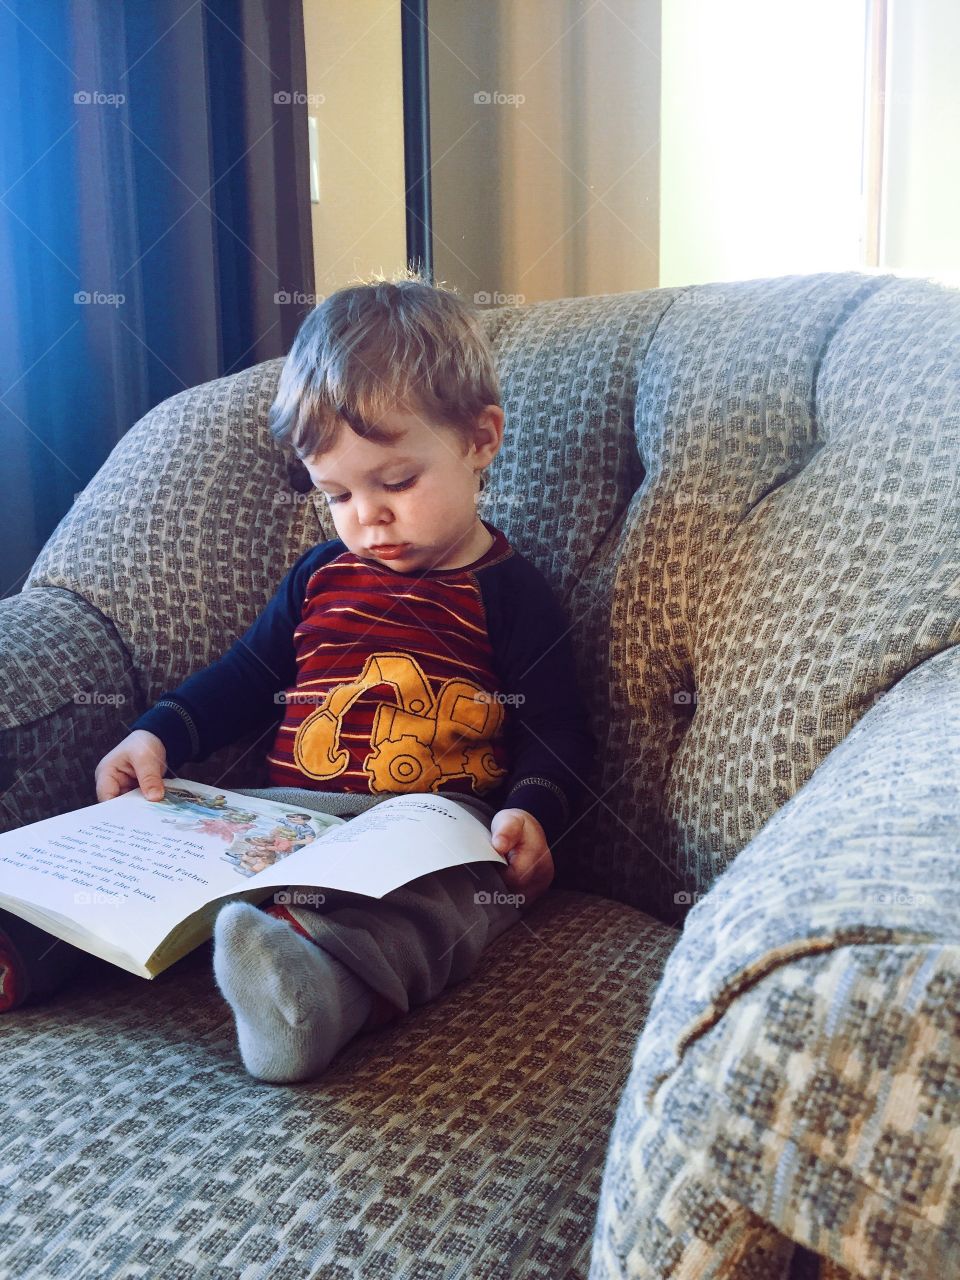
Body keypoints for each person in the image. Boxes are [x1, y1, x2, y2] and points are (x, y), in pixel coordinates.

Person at [0, 270, 595, 1083]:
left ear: (480, 438)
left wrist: (533, 809)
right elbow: (246, 676)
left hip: (429, 827)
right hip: (285, 817)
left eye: (397, 483)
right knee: (158, 852)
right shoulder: (320, 577)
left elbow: (556, 729)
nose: (368, 517)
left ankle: (306, 990)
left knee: (458, 903)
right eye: (337, 494)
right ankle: (24, 949)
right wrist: (157, 732)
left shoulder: (511, 592)